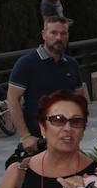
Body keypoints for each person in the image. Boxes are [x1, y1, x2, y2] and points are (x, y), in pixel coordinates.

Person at [7, 17, 86, 159]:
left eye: (63, 34)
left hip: (66, 140)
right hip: (37, 143)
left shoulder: (71, 64)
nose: (58, 38)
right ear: (44, 34)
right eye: (54, 33)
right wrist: (25, 136)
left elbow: (80, 100)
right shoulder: (26, 63)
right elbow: (12, 99)